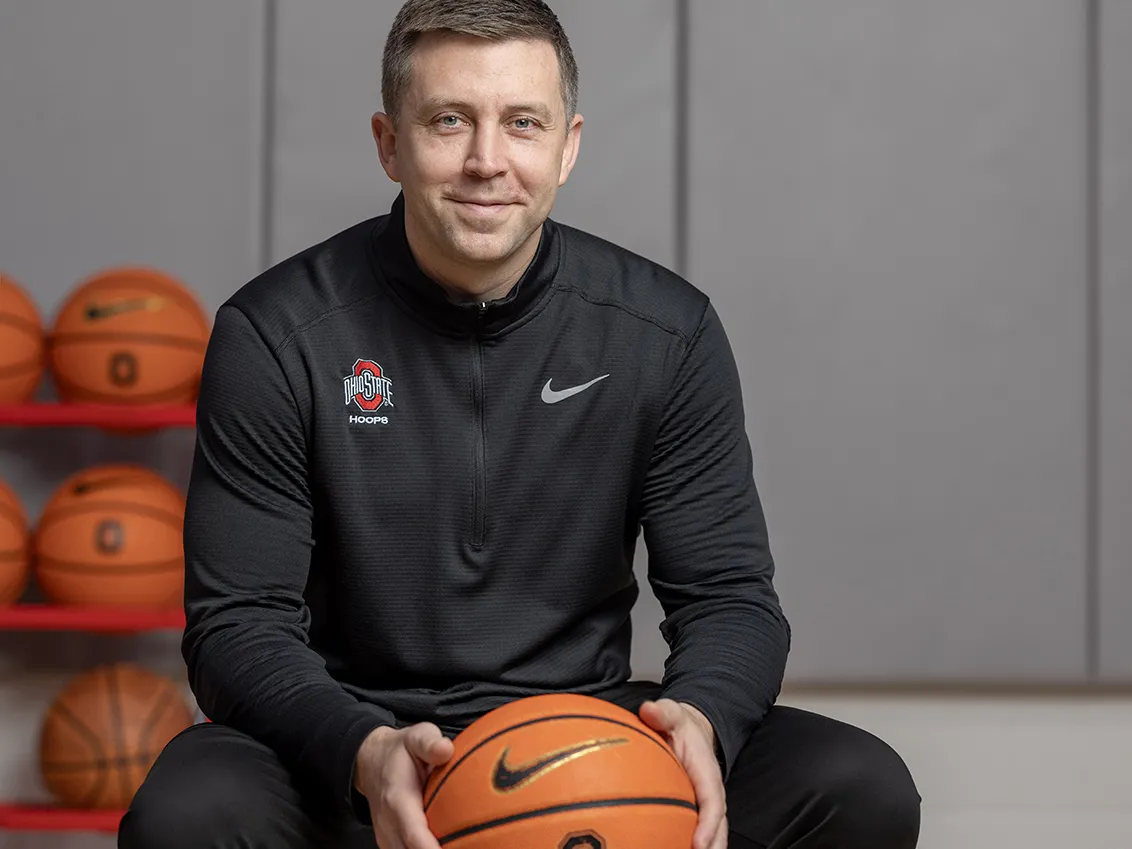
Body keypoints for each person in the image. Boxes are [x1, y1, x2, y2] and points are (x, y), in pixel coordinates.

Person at [119, 1, 920, 847]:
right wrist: (362, 749)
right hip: (360, 752)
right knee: (190, 814)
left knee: (858, 786)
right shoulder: (277, 335)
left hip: (584, 747)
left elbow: (730, 598)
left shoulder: (666, 333)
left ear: (567, 145)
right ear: (389, 144)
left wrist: (703, 718)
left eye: (522, 123)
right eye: (449, 120)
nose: (486, 161)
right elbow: (237, 624)